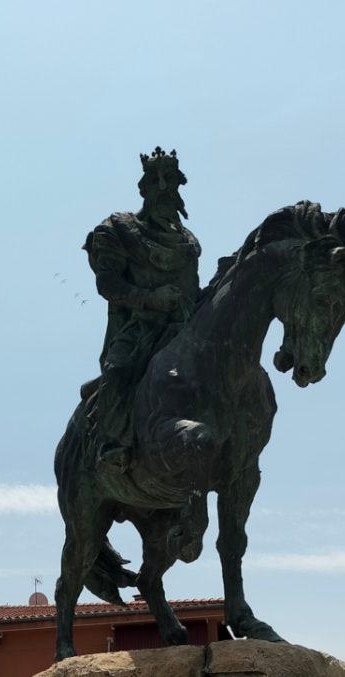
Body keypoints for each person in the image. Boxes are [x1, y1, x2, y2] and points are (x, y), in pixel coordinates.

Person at [83, 147, 201, 471]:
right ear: (145, 188)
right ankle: (113, 443)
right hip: (138, 329)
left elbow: (194, 293)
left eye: (172, 183)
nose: (165, 190)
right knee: (119, 371)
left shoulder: (188, 243)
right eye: (158, 183)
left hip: (184, 331)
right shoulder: (118, 229)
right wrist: (151, 298)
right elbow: (108, 284)